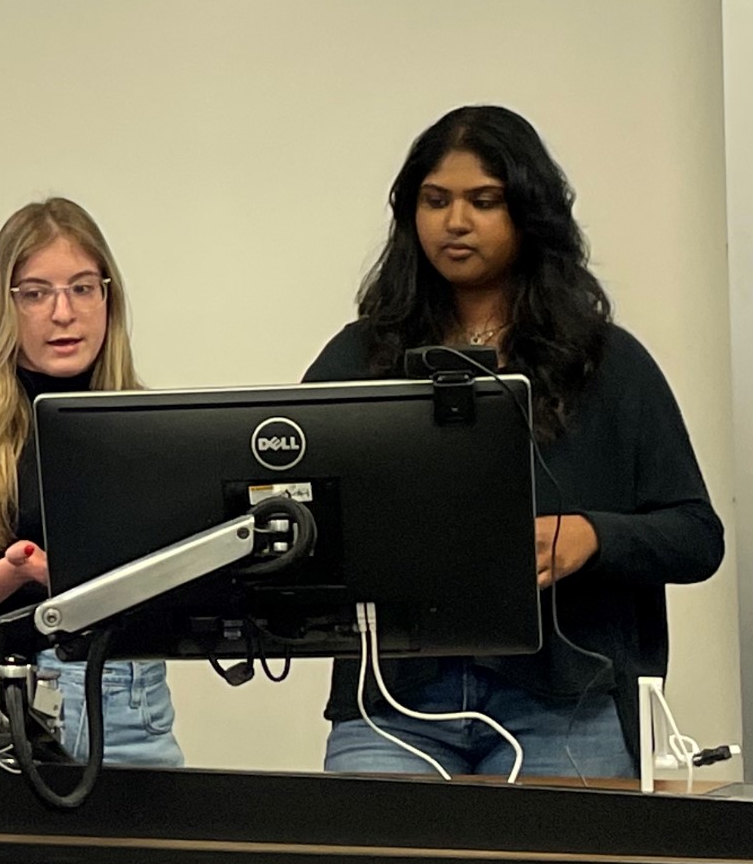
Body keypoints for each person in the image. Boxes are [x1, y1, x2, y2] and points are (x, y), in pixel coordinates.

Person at [304, 104, 724, 780]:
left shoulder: (607, 362)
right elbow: (295, 500)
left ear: (529, 213)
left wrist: (593, 537)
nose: (456, 221)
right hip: (392, 703)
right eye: (435, 200)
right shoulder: (363, 357)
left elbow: (698, 536)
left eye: (484, 201)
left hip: (567, 706)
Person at [0, 197, 183, 766]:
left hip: (127, 702)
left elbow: (182, 604)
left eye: (82, 288)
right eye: (36, 293)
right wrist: (14, 570)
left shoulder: (156, 426)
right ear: (5, 306)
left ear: (107, 297)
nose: (63, 313)